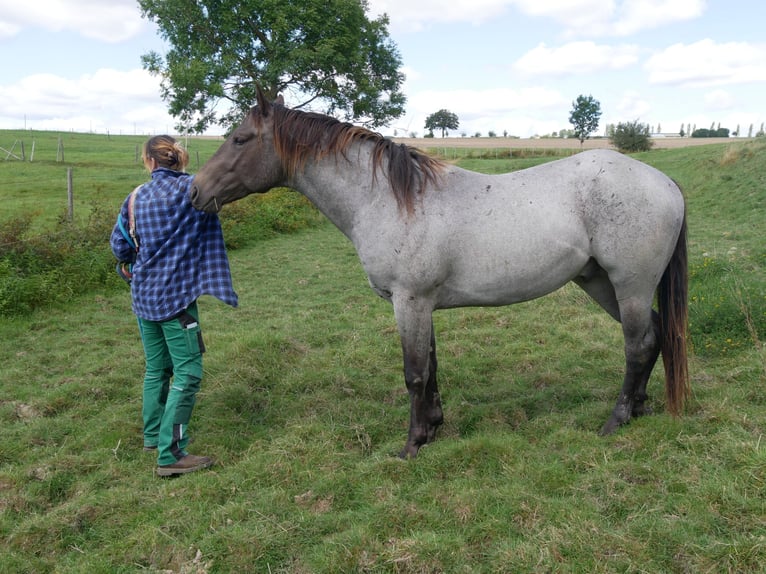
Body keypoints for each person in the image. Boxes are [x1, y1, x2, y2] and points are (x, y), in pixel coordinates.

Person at [111, 135, 238, 476]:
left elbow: (120, 246)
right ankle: (170, 455)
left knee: (156, 368)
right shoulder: (193, 190)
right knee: (188, 371)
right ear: (178, 160)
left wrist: (132, 263)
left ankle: (153, 436)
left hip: (143, 297)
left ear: (149, 161)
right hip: (177, 300)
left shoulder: (134, 197)